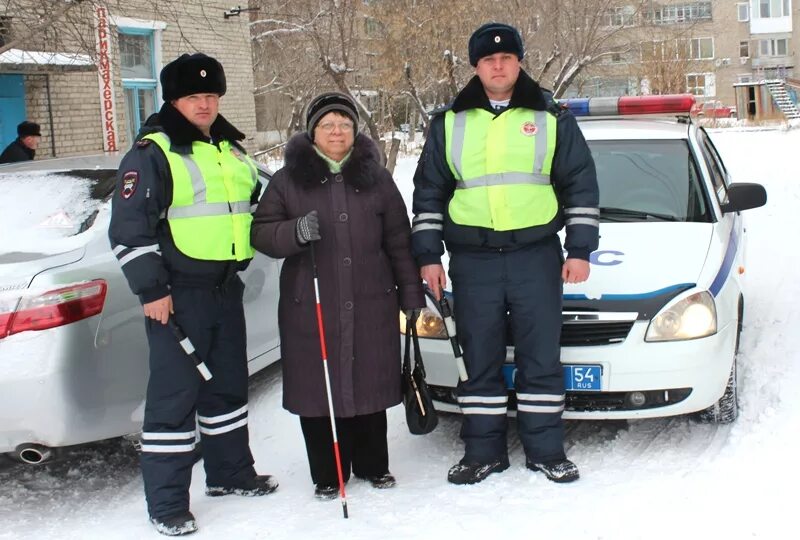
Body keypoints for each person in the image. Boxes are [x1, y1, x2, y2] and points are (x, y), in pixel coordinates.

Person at [410, 22, 599, 485]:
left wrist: (578, 249)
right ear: (476, 66)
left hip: (536, 256)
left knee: (540, 356)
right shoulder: (450, 122)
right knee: (479, 359)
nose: (498, 65)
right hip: (473, 261)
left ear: (518, 63)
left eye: (507, 58)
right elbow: (429, 193)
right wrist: (429, 256)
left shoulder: (551, 117)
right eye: (489, 60)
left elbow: (579, 184)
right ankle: (483, 452)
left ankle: (545, 450)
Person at [108, 53, 277, 537]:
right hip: (178, 296)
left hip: (225, 289)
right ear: (174, 100)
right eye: (193, 97)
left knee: (226, 387)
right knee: (174, 398)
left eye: (210, 96)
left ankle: (229, 474)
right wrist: (153, 290)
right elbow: (128, 230)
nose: (204, 104)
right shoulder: (153, 152)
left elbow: (252, 207)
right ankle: (166, 505)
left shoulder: (230, 149)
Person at [251, 92, 425, 500]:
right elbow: (260, 232)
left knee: (369, 382)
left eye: (344, 124)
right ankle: (328, 475)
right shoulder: (287, 180)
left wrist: (411, 295)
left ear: (354, 131)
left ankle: (372, 465)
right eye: (328, 125)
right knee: (319, 390)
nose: (336, 131)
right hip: (309, 304)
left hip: (372, 300)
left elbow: (400, 241)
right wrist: (293, 232)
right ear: (313, 132)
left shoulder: (376, 178)